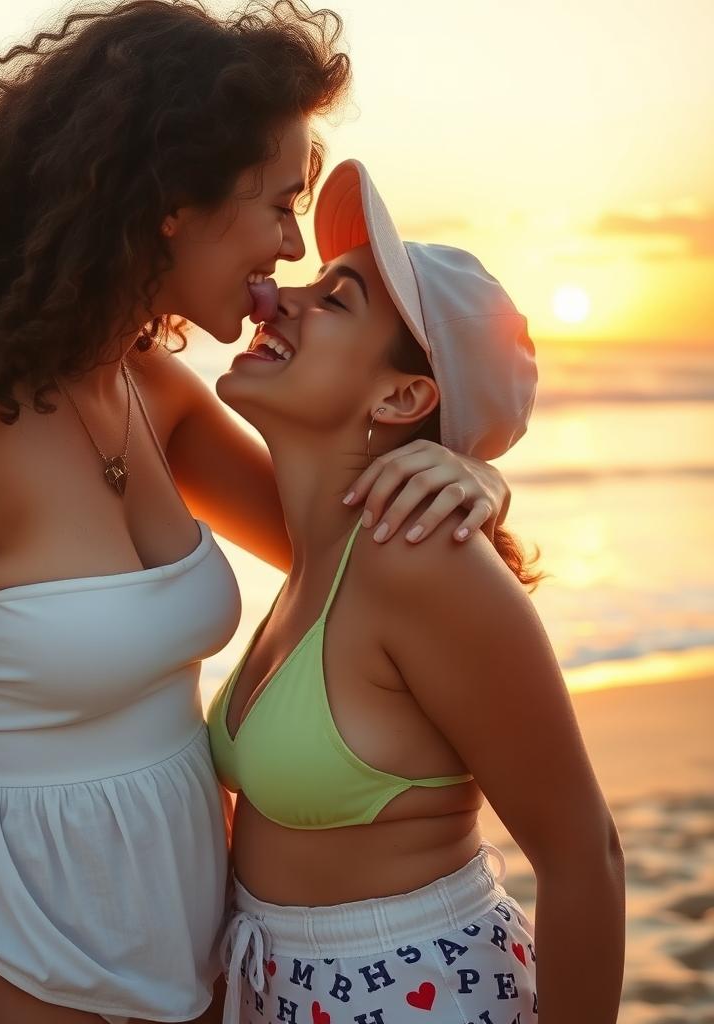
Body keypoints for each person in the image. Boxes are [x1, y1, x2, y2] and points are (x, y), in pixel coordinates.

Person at [0, 5, 514, 1023]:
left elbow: (346, 548)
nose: (293, 243)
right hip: (10, 962)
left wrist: (471, 477)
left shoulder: (150, 390)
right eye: (279, 203)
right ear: (174, 202)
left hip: (192, 963)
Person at [208, 159, 626, 1024]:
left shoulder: (420, 560)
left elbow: (587, 856)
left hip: (412, 1000)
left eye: (335, 300)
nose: (278, 298)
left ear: (403, 394)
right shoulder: (317, 554)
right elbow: (123, 373)